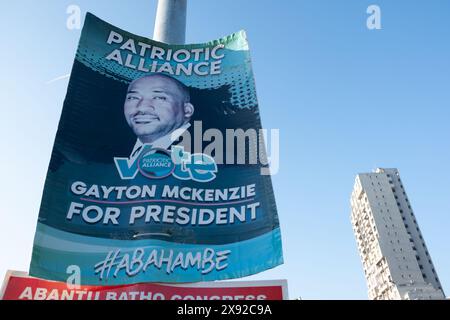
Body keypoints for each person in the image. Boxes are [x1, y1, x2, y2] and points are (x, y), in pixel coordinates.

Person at [123, 73, 194, 160]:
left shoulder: (206, 149)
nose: (142, 107)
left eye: (159, 98)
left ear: (187, 110)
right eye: (133, 98)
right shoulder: (111, 149)